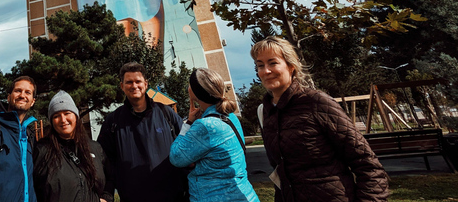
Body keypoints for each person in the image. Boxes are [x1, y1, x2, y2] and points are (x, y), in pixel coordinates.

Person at [251, 36, 389, 202]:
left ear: (291, 66)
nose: (266, 71)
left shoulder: (317, 102)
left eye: (273, 63)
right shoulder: (266, 112)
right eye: (260, 65)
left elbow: (366, 163)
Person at [97, 62, 187, 202]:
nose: (134, 86)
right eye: (129, 82)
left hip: (173, 197)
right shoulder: (113, 122)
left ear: (145, 84)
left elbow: (186, 148)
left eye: (138, 81)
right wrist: (106, 194)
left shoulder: (166, 113)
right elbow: (105, 163)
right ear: (122, 86)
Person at [169, 68, 259, 202]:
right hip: (244, 194)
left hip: (215, 196)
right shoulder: (231, 117)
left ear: (195, 92)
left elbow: (176, 157)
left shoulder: (206, 125)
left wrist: (188, 123)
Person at [33, 90, 111, 202]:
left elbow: (110, 178)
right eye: (56, 116)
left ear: (76, 116)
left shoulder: (95, 148)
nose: (63, 120)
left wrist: (106, 198)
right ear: (52, 121)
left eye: (67, 113)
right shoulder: (42, 150)